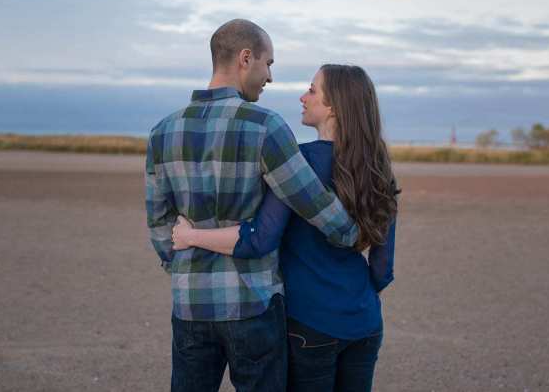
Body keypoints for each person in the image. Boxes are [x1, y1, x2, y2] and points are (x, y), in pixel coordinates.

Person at [145, 20, 359, 392]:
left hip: (190, 304)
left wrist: (182, 268)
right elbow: (314, 203)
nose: (270, 77)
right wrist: (353, 233)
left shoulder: (163, 131)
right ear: (246, 58)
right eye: (268, 63)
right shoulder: (266, 126)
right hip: (253, 303)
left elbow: (159, 223)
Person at [172, 64, 399, 392]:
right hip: (364, 322)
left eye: (311, 89)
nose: (302, 97)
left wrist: (189, 236)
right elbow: (382, 265)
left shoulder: (299, 162)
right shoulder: (379, 169)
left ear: (333, 105)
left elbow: (260, 238)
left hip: (309, 323)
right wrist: (355, 297)